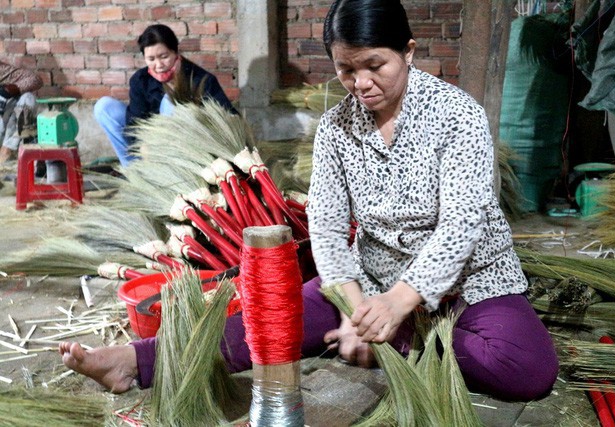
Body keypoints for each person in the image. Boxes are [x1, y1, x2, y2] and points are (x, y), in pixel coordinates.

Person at [60, 0, 558, 403]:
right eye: (346, 70)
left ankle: (397, 341)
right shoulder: (337, 128)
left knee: (526, 369)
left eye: (374, 65)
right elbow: (324, 224)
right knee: (267, 322)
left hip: (470, 278)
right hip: (371, 276)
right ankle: (137, 360)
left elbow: (463, 225)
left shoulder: (458, 116)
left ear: (408, 51)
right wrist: (353, 303)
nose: (361, 83)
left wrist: (396, 309)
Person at [94, 24, 237, 166]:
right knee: (104, 107)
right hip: (148, 152)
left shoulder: (201, 79)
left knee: (171, 100)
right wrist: (142, 146)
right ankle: (134, 172)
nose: (158, 65)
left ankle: (171, 172)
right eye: (151, 59)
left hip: (186, 152)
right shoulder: (140, 80)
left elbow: (229, 116)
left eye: (164, 57)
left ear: (175, 53)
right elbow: (134, 124)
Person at [0, 60, 42, 164]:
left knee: (28, 98)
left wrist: (7, 91)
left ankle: (7, 149)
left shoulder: (2, 70)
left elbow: (35, 79)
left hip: (6, 124)